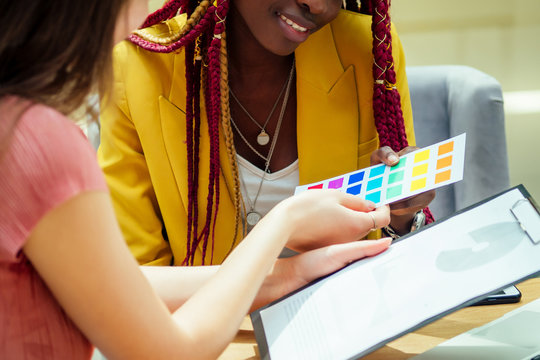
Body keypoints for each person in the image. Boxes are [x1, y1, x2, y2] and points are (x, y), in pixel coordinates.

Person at [0, 0, 394, 358]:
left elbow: (130, 284)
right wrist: (285, 219)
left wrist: (294, 272)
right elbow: (170, 352)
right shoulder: (43, 142)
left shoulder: (20, 126)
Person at [98, 0, 435, 267]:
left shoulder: (367, 50)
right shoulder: (138, 70)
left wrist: (403, 216)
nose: (318, 5)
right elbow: (137, 276)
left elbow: (393, 253)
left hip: (345, 330)